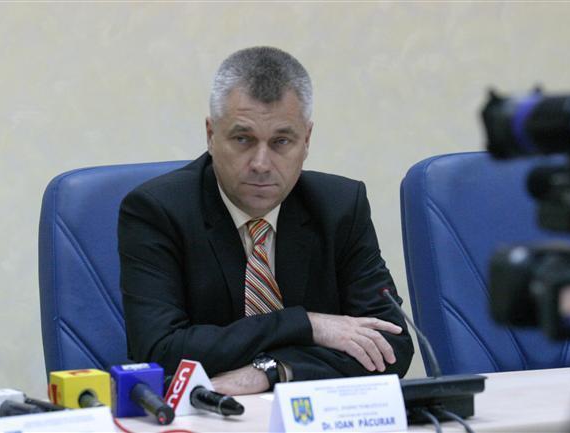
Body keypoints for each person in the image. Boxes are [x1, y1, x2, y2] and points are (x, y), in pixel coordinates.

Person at [118, 46, 414, 395]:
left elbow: (390, 346)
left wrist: (274, 371)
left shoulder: (340, 208)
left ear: (307, 140)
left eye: (281, 141)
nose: (261, 163)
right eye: (243, 139)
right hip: (204, 414)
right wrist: (305, 324)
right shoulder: (157, 211)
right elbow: (160, 351)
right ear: (211, 135)